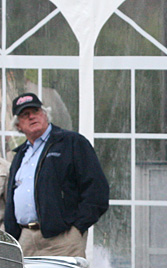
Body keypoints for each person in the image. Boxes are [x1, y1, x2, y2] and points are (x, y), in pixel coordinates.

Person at [3, 92, 109, 258]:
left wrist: (77, 229)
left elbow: (97, 190)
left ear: (45, 114)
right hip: (26, 239)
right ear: (18, 126)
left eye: (36, 111)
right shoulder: (20, 155)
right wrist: (13, 233)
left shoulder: (72, 143)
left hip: (62, 239)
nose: (32, 117)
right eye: (25, 114)